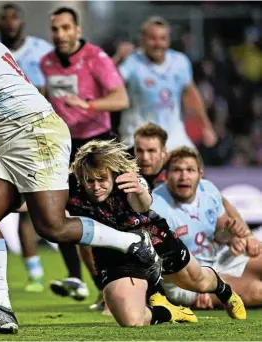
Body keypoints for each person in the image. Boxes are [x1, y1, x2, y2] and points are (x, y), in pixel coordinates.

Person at [0, 4, 160, 334]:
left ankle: (131, 243)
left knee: (52, 226)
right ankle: (0, 308)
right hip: (13, 139)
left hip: (34, 135)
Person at [67, 140, 247, 325]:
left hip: (155, 239)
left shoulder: (129, 180)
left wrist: (137, 190)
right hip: (114, 255)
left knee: (198, 281)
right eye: (90, 181)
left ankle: (224, 291)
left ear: (113, 174)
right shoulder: (70, 188)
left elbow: (143, 205)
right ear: (81, 178)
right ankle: (168, 312)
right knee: (131, 321)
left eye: (102, 180)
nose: (96, 187)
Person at [38, 6, 129, 302]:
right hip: (64, 145)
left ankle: (121, 283)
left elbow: (120, 98)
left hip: (97, 144)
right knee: (60, 211)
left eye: (66, 28)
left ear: (77, 30)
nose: (60, 34)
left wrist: (87, 105)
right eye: (55, 29)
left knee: (108, 217)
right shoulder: (46, 62)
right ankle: (78, 278)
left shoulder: (96, 58)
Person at [151, 146, 262, 309]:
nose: (184, 176)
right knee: (257, 291)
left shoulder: (208, 189)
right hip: (185, 279)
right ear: (166, 176)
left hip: (217, 260)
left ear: (200, 174)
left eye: (190, 170)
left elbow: (221, 231)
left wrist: (234, 238)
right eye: (177, 170)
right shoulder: (158, 206)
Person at [0, 2, 53, 293]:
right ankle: (34, 273)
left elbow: (47, 91)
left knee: (42, 210)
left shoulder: (40, 50)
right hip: (5, 137)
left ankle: (77, 274)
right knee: (22, 207)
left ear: (22, 22)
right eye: (3, 18)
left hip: (39, 134)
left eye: (13, 17)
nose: (9, 23)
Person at [117, 16, 217, 153]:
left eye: (163, 38)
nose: (158, 43)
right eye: (153, 38)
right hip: (138, 135)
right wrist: (116, 59)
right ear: (142, 40)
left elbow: (190, 94)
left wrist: (206, 126)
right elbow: (109, 85)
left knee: (191, 167)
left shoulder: (180, 61)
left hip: (172, 134)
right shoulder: (132, 62)